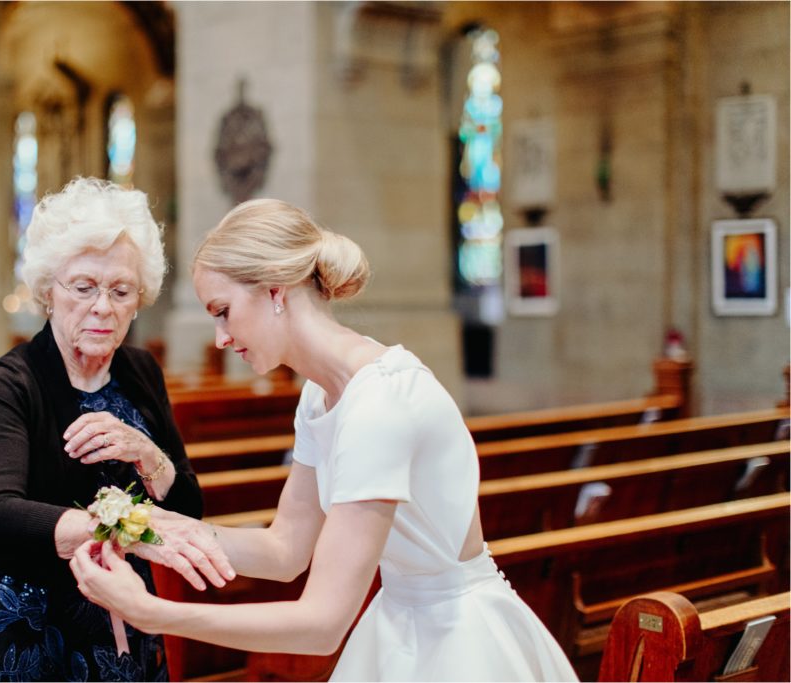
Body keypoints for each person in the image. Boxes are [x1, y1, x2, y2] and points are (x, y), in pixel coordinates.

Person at [70, 198, 579, 681]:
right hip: (401, 625)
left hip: (456, 642)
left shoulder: (379, 403)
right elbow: (284, 549)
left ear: (275, 291)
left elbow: (322, 624)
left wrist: (154, 613)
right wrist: (154, 530)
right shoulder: (321, 394)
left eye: (222, 310)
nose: (221, 338)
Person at [0, 178, 223, 682]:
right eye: (83, 287)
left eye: (121, 290)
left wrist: (149, 454)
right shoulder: (10, 382)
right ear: (47, 292)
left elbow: (187, 508)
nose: (103, 306)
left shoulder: (141, 371)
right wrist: (125, 528)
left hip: (126, 611)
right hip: (31, 624)